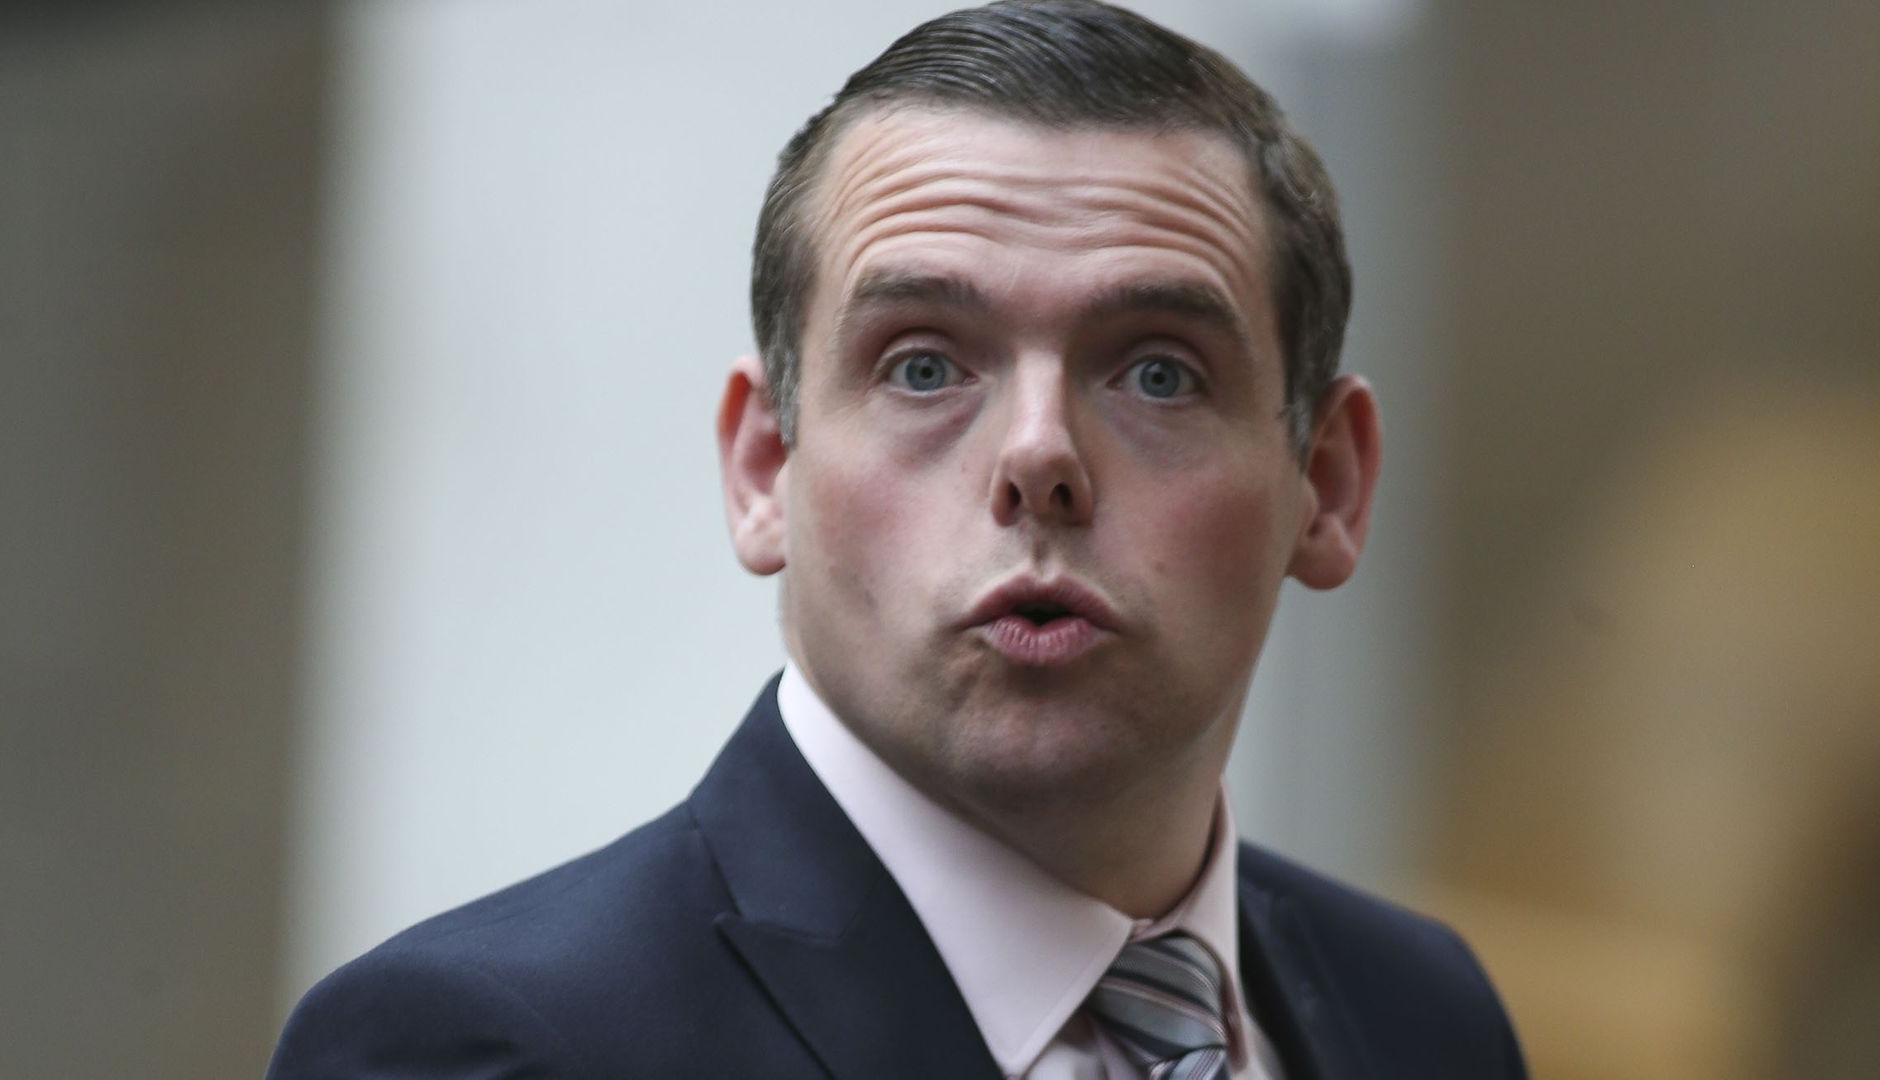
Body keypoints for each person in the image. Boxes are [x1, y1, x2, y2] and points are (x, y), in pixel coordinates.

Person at [268, 2, 1527, 1077]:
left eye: (1156, 374)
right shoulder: (490, 1047)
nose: (1040, 457)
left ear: (1327, 480)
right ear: (766, 465)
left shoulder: (1419, 1014)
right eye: (923, 364)